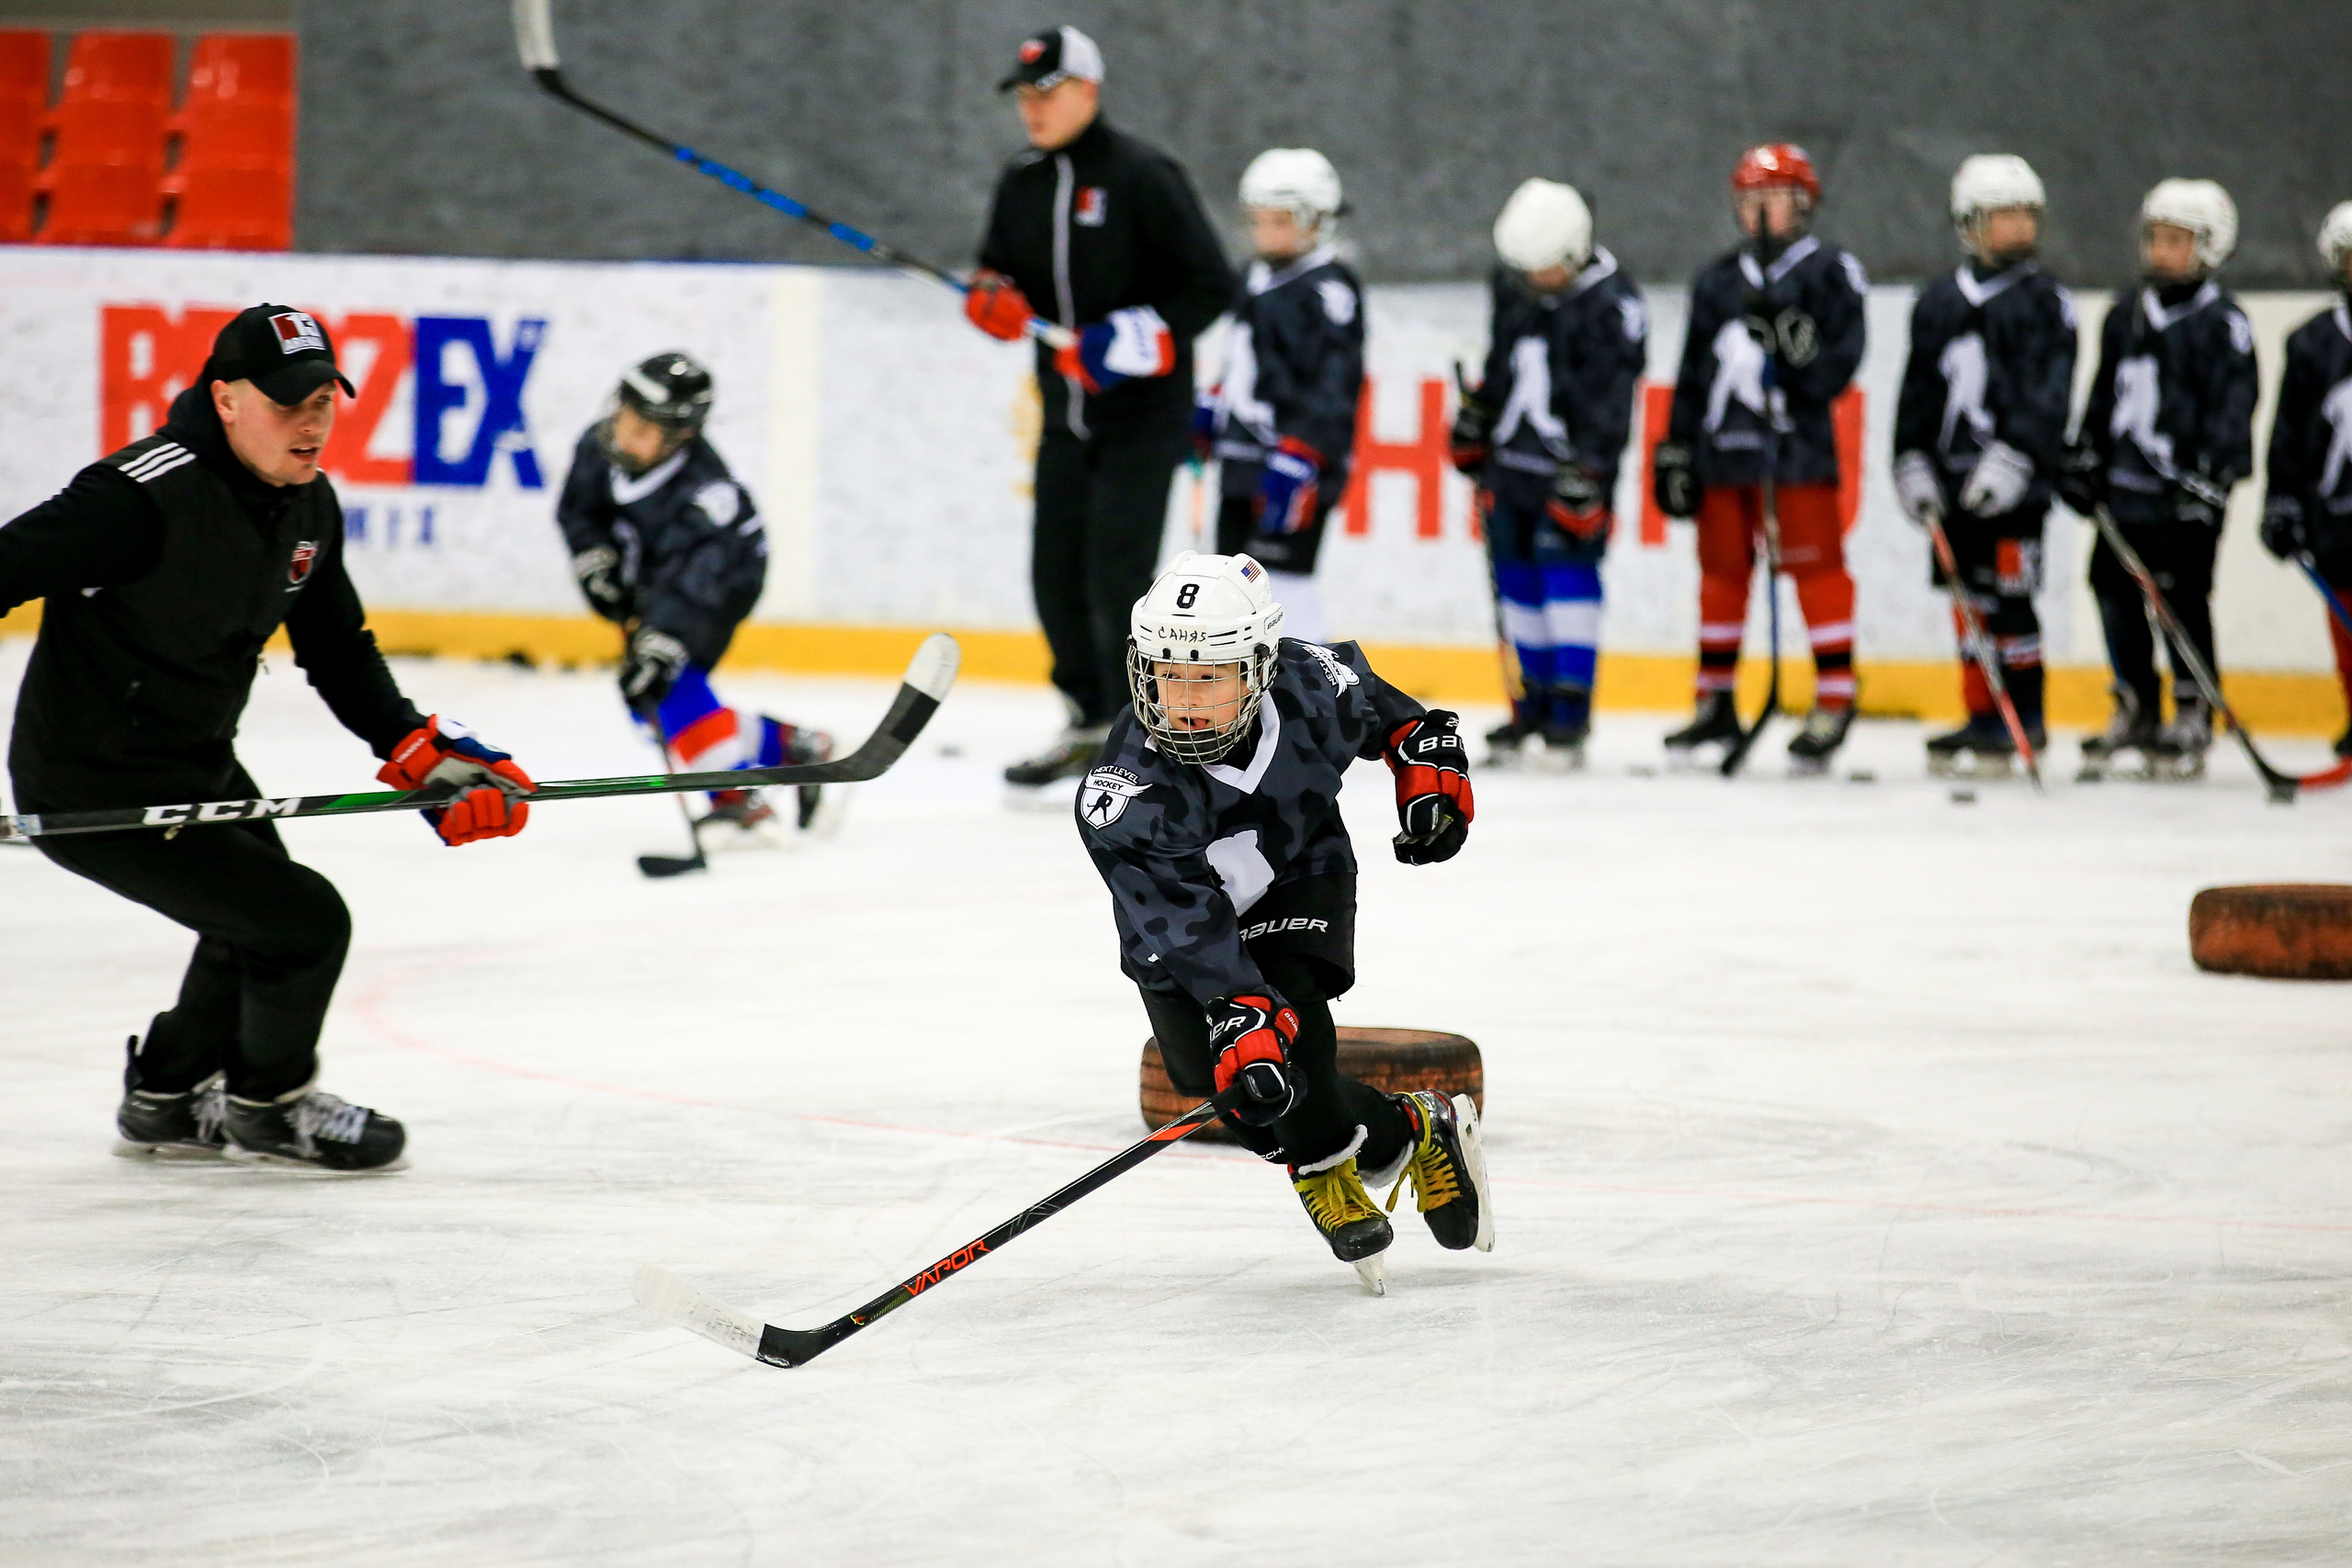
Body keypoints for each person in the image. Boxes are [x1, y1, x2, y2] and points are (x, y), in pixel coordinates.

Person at [0, 305, 536, 1171]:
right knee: (303, 923)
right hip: (92, 783)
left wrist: (416, 749)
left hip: (196, 760)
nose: (313, 421)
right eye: (290, 402)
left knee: (252, 917)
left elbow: (337, 647)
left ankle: (168, 1095)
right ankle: (269, 1106)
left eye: (324, 400)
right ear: (226, 399)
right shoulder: (135, 497)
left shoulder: (308, 504)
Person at [1073, 550, 1493, 1292]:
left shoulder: (1311, 686)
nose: (1185, 699)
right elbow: (1189, 929)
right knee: (1228, 1087)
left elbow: (1399, 720)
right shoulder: (1125, 795)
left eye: (1210, 676)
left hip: (1299, 872)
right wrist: (1238, 1007)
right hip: (1187, 936)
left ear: (1260, 668)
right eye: (1169, 675)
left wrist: (1425, 766)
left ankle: (1322, 1171)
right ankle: (1417, 1126)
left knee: (1296, 1037)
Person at [965, 25, 1237, 790]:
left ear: (1088, 90)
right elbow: (998, 272)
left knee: (1118, 577)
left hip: (1143, 420)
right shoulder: (1021, 180)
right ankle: (1086, 721)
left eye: (1047, 92)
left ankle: (1139, 737)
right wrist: (991, 298)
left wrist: (1137, 336)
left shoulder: (1144, 175)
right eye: (1024, 94)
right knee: (1054, 575)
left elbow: (1211, 285)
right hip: (1064, 418)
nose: (1032, 108)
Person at [1653, 143, 1869, 772]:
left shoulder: (1830, 272)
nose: (1761, 212)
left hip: (1795, 453)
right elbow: (1693, 373)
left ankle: (1836, 696)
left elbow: (1836, 369)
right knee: (1721, 571)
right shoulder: (1718, 279)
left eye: (1774, 199)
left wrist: (1799, 351)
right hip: (1723, 452)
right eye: (1751, 200)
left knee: (1816, 567)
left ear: (1803, 205)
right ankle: (1714, 699)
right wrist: (1676, 446)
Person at [555, 352, 831, 840]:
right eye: (624, 416)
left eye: (642, 429)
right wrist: (595, 561)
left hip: (721, 583)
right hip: (660, 575)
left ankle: (736, 798)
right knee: (649, 708)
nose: (623, 434)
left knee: (667, 682)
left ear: (680, 435)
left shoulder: (706, 497)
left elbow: (692, 587)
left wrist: (662, 640)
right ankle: (792, 746)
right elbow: (580, 511)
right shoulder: (600, 444)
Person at [2062, 179, 2257, 778]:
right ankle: (2136, 702)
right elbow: (2104, 393)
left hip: (2185, 495)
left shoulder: (2222, 323)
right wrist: (2085, 455)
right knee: (2112, 588)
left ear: (2211, 247)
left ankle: (2194, 706)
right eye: (2156, 239)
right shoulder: (2125, 314)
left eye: (2178, 241)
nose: (2162, 252)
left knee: (2181, 597)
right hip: (2124, 491)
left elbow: (2233, 408)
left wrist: (2210, 481)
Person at [1450, 178, 1646, 767]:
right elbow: (1501, 362)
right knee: (1515, 575)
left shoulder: (1614, 303)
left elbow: (1613, 398)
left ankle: (1570, 710)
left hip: (1571, 465)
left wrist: (1592, 467)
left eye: (1545, 269)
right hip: (1512, 462)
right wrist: (1479, 418)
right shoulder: (1515, 285)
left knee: (1566, 572)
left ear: (1575, 251)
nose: (1534, 282)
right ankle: (1530, 702)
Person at [1891, 155, 2076, 773]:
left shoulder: (2046, 301)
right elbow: (1918, 389)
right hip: (1950, 483)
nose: (2020, 227)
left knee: (2011, 601)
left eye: (2027, 214)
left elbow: (2048, 395)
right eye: (2004, 216)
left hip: (2017, 490)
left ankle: (2026, 717)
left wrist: (2018, 457)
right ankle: (1981, 714)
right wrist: (1910, 457)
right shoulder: (1937, 301)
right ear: (1970, 223)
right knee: (1968, 603)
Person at [1199, 146, 1363, 645]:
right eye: (1259, 220)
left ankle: (1319, 681)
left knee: (1282, 585)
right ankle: (1243, 686)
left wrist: (1305, 452)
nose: (1266, 233)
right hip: (1241, 457)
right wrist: (1214, 404)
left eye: (1282, 221)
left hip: (1294, 465)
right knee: (1230, 585)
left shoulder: (1329, 291)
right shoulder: (1253, 276)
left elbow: (1335, 384)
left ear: (1318, 221)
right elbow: (1241, 355)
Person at [2259, 203, 2352, 759]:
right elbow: (2289, 433)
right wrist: (2281, 500)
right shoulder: (2313, 342)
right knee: (2344, 615)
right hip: (2337, 517)